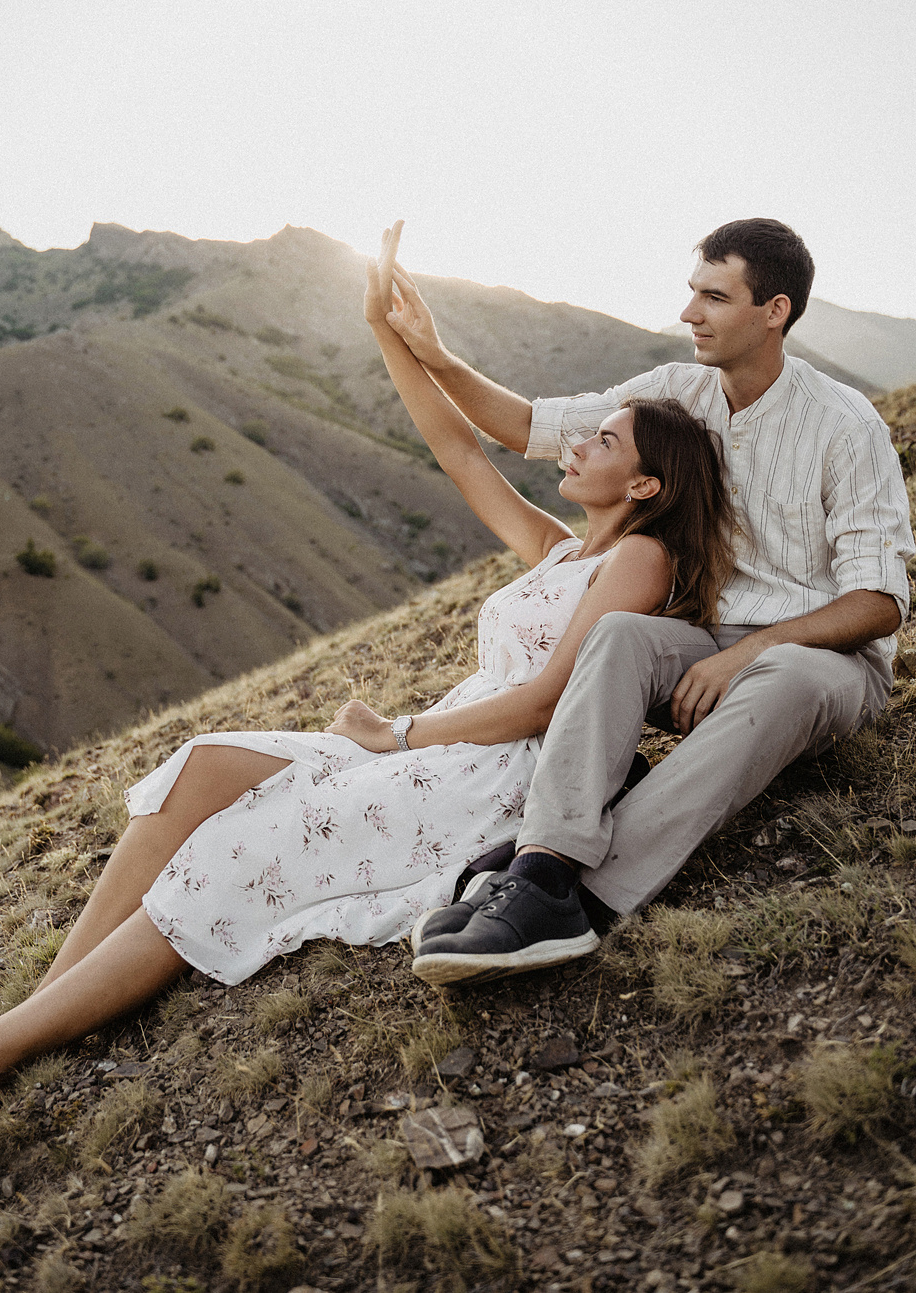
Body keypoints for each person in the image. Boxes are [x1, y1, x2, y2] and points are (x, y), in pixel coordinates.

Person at [0, 238, 734, 1124]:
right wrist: (385, 328)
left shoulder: (643, 560)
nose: (577, 443)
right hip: (444, 739)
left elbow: (547, 705)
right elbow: (460, 455)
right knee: (198, 771)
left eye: (603, 439)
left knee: (235, 845)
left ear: (647, 484)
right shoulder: (564, 550)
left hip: (497, 768)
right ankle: (39, 1010)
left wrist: (400, 735)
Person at [391, 217, 914, 985]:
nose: (689, 313)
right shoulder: (676, 389)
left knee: (788, 679)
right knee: (622, 635)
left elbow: (879, 603)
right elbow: (532, 427)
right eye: (691, 291)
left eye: (714, 296)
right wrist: (433, 354)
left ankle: (585, 903)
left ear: (774, 311)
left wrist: (754, 649)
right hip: (705, 643)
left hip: (823, 656)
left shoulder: (844, 425)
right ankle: (541, 865)